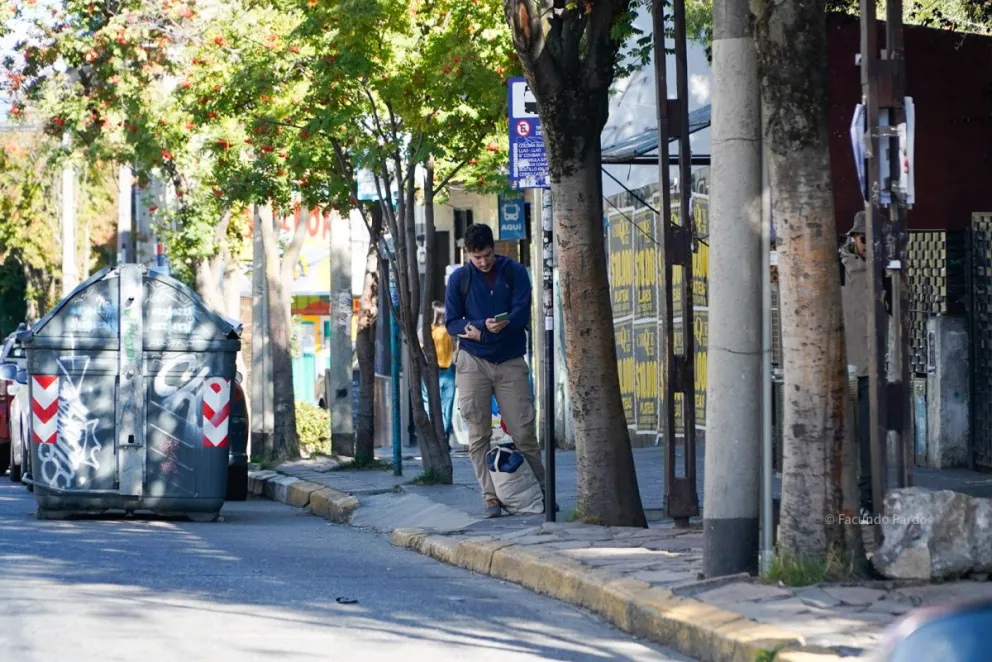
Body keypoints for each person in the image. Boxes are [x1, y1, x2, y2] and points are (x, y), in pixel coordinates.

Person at [445, 224, 545, 518]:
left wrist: (502, 324)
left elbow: (522, 310)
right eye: (477, 257)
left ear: (494, 248)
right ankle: (491, 497)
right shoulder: (459, 279)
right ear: (468, 254)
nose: (483, 262)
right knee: (478, 434)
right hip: (473, 360)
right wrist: (474, 330)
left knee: (523, 430)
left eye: (487, 255)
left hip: (510, 358)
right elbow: (452, 321)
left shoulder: (514, 271)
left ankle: (540, 492)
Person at [840, 210, 890, 519]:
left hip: (873, 368)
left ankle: (869, 499)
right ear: (853, 239)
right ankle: (846, 501)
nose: (867, 244)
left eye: (872, 239)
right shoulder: (837, 267)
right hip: (844, 368)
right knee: (844, 439)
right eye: (862, 238)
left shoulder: (885, 271)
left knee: (872, 441)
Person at [421, 301, 456, 448]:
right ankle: (444, 440)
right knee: (446, 409)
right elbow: (455, 350)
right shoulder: (450, 331)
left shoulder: (428, 331)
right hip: (448, 373)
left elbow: (421, 349)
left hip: (431, 371)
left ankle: (432, 440)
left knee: (429, 405)